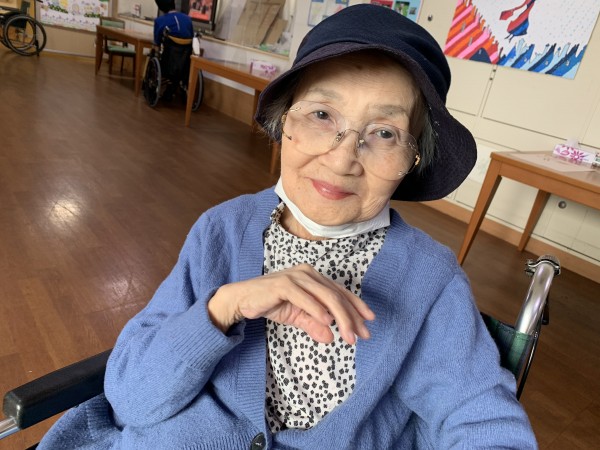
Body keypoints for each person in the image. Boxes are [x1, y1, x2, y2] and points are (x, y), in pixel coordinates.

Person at [38, 4, 538, 449]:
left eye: (385, 133)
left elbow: (480, 416)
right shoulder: (221, 231)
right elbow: (131, 399)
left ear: (413, 158)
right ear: (285, 123)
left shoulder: (430, 279)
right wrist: (223, 308)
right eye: (321, 114)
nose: (342, 159)